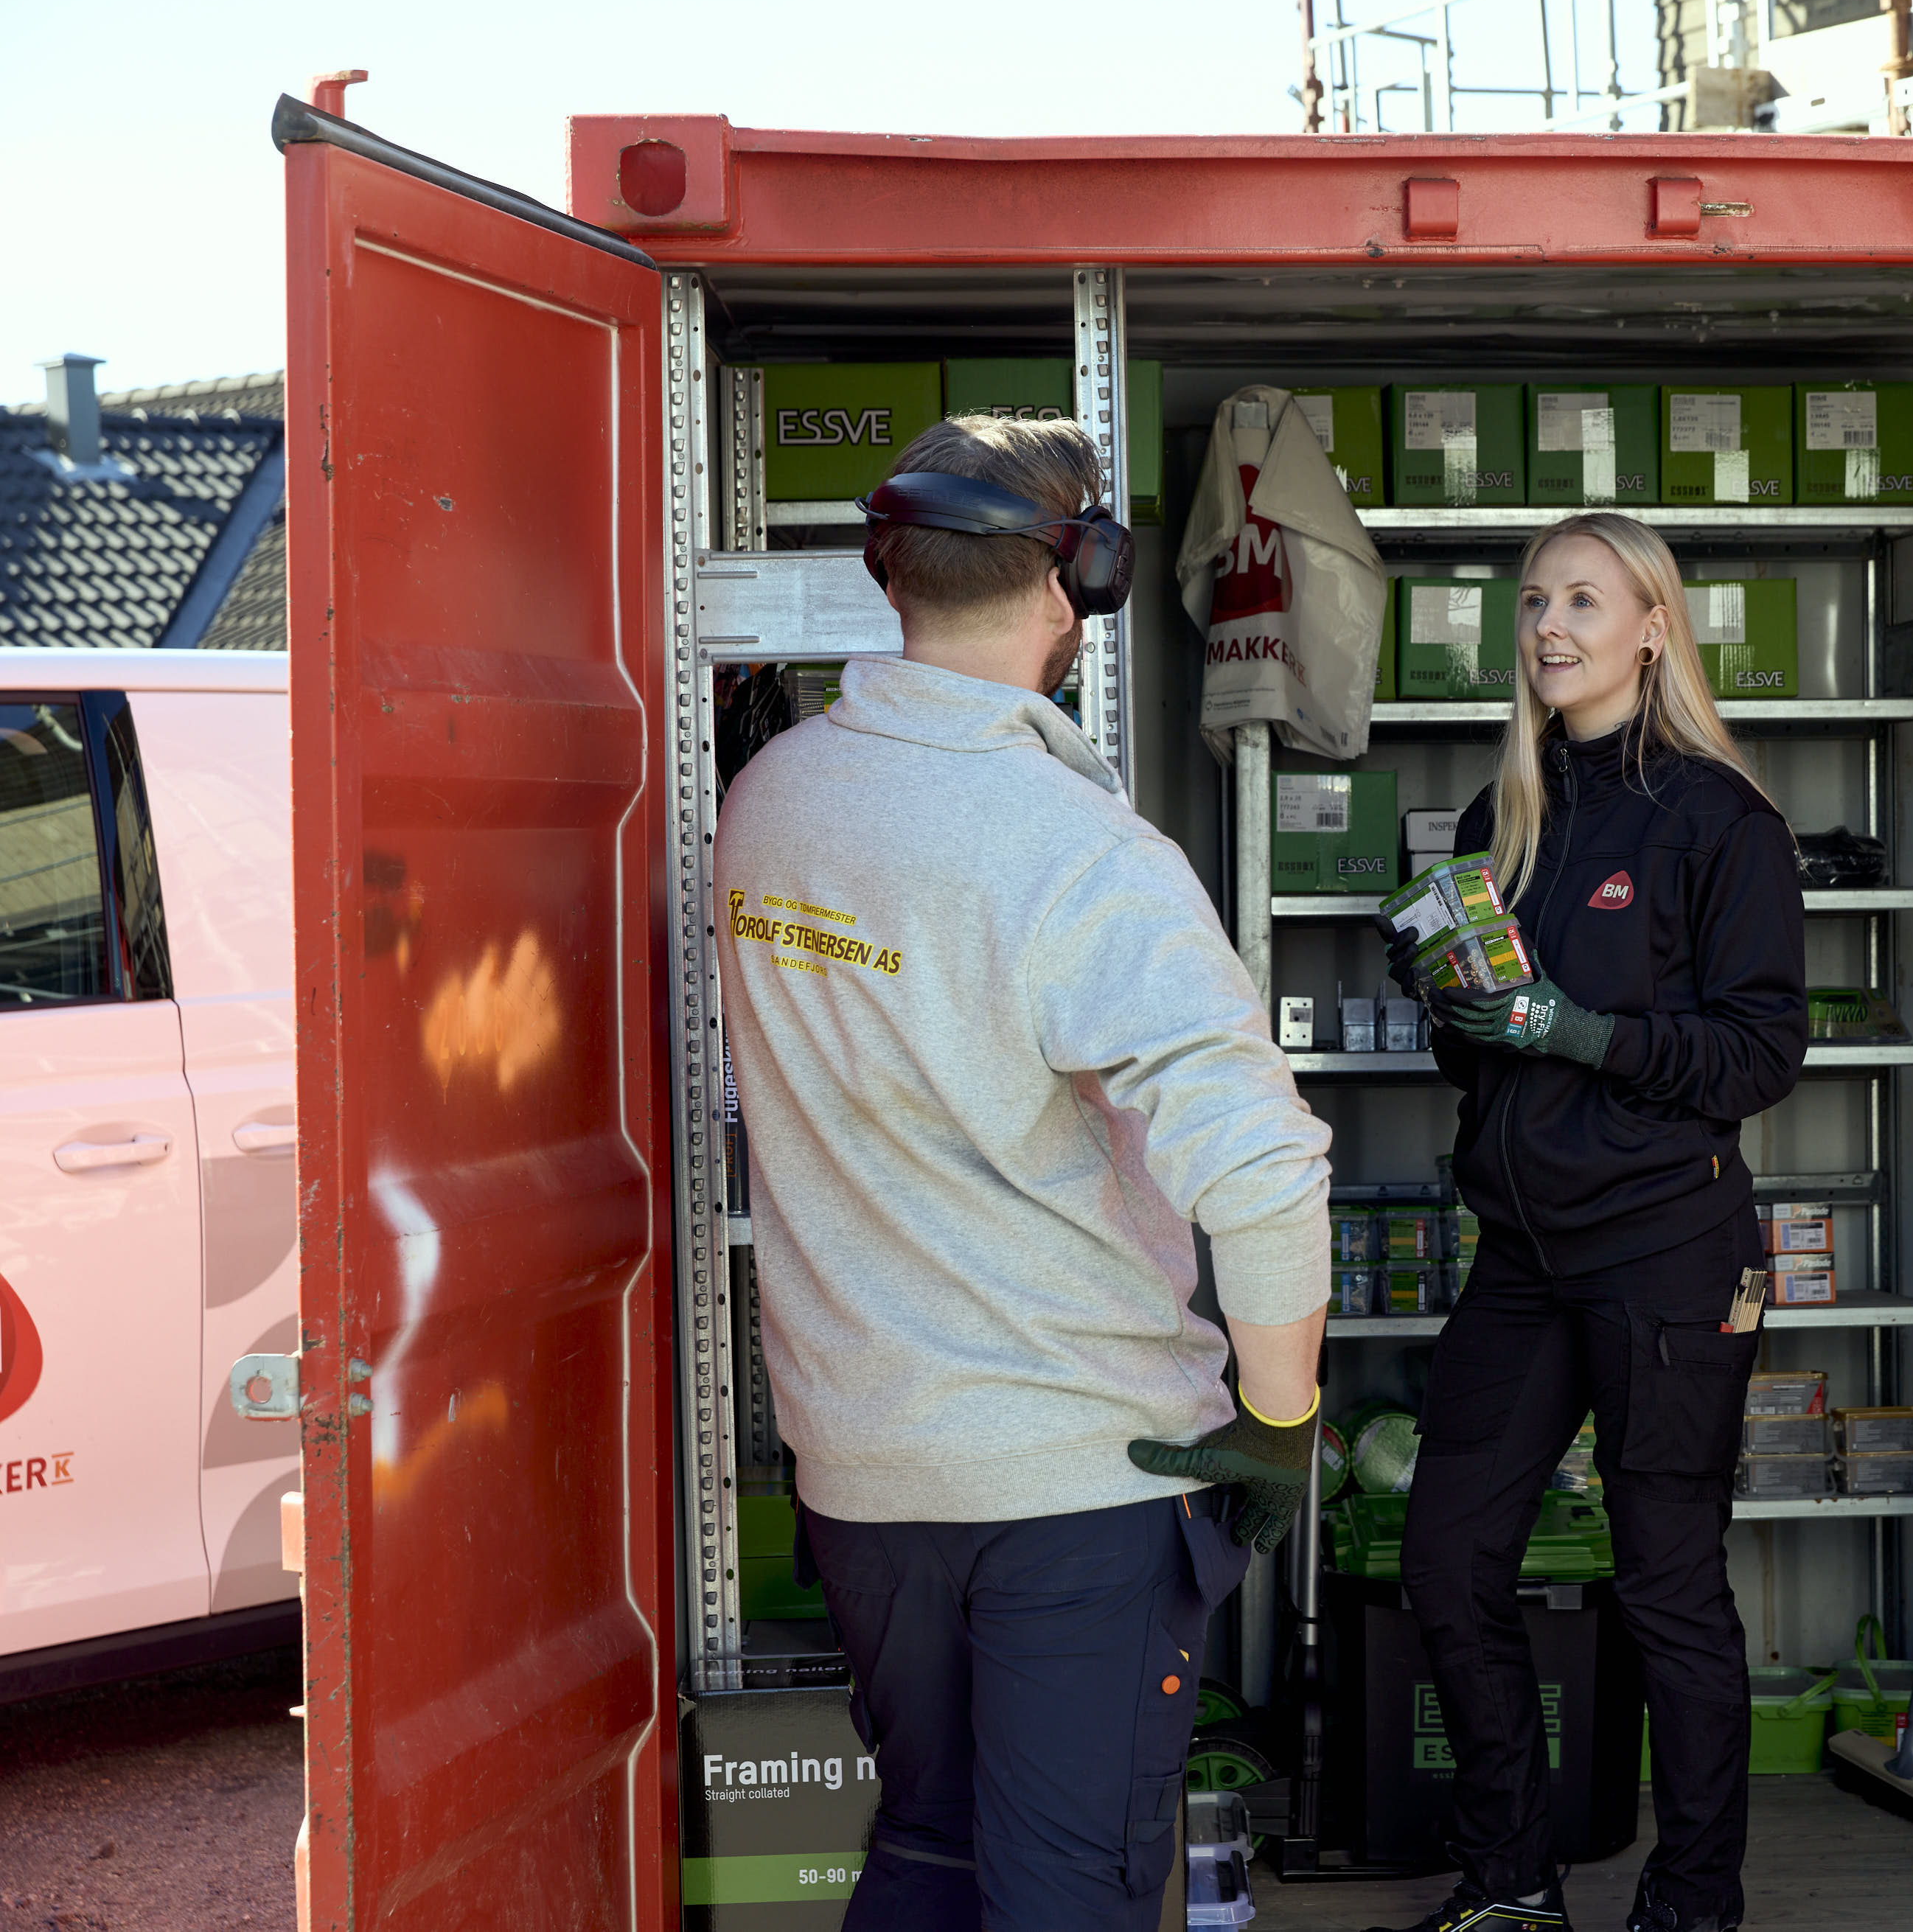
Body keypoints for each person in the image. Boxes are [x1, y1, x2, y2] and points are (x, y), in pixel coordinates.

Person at [715, 414, 1334, 1932]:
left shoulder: (770, 803)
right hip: (1075, 1476)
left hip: (865, 1469)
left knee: (927, 1845)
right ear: (1077, 585)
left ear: (891, 571)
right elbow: (1258, 1168)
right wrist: (1275, 1423)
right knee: (1069, 1890)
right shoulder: (1072, 848)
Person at [1375, 512, 1809, 1932]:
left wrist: (1576, 1030)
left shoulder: (1718, 820)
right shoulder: (1497, 820)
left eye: (1581, 599)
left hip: (1670, 1253)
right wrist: (1457, 1000)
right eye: (1533, 603)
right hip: (1525, 1256)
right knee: (1447, 1558)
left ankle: (1694, 1906)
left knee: (1668, 1587)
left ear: (1652, 626)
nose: (1548, 626)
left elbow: (1757, 1055)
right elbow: (1482, 1061)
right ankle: (1510, 1880)